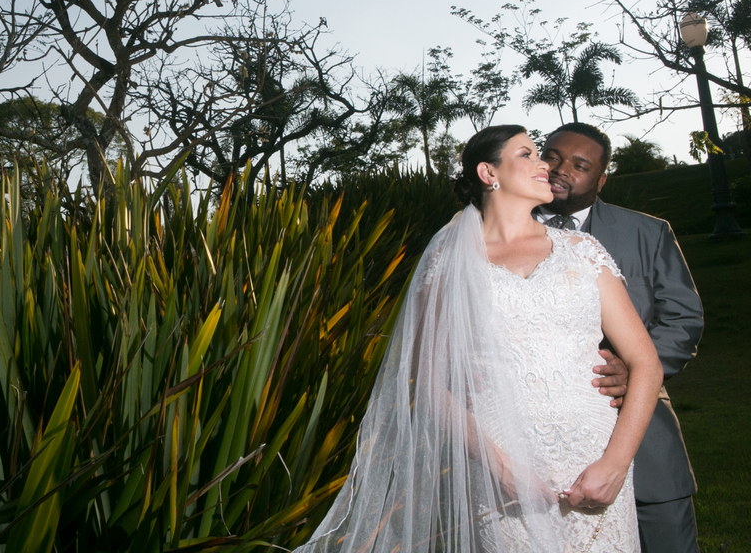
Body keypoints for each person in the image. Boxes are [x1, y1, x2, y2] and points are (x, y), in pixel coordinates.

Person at [296, 125, 663, 553]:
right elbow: (429, 383)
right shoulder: (450, 263)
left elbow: (645, 362)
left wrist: (616, 465)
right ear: (490, 173)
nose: (544, 164)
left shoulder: (584, 251)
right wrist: (500, 468)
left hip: (595, 452)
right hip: (505, 464)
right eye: (527, 154)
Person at [538, 123, 704, 553]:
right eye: (552, 156)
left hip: (644, 438)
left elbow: (683, 318)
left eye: (579, 164)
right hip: (544, 444)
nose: (561, 169)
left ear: (601, 178)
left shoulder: (648, 233)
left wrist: (637, 370)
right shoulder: (500, 233)